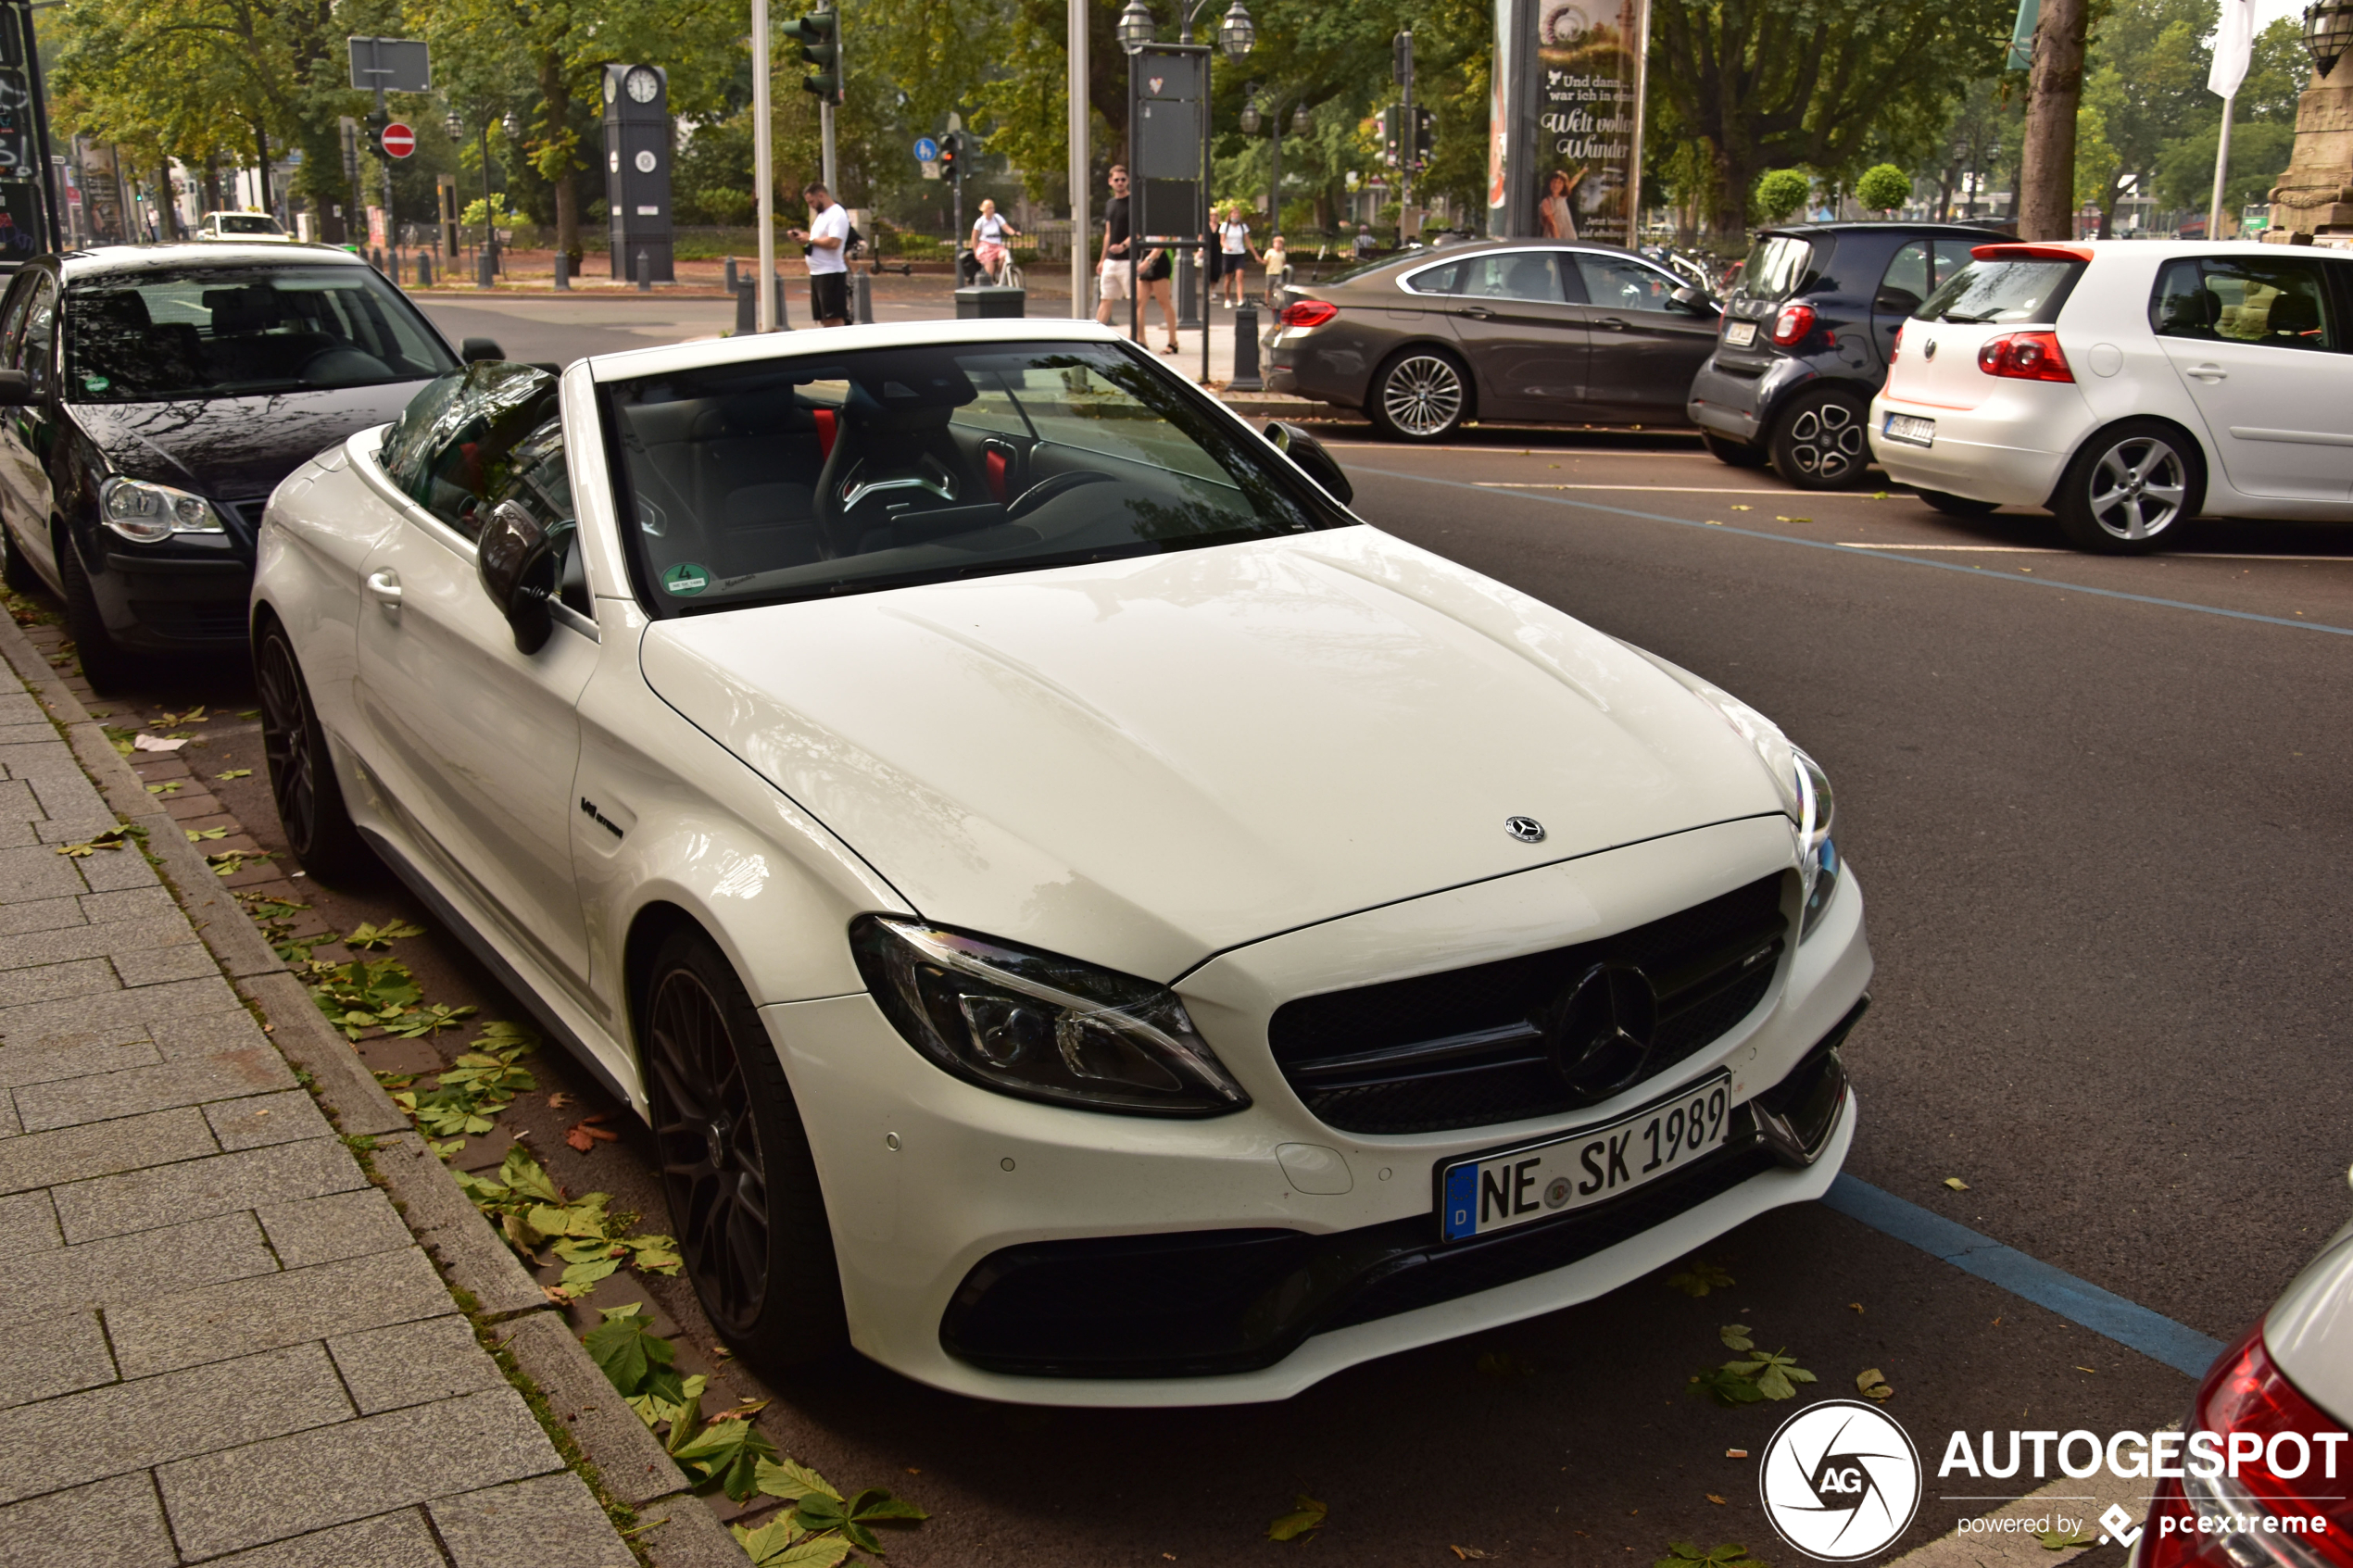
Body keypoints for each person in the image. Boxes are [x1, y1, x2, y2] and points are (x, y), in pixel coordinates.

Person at [1093, 164, 1179, 354]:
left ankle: (1172, 342)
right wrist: (1103, 258)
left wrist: (1147, 259)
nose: (1120, 183)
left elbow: (1162, 239)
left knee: (1163, 301)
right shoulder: (1122, 206)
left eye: (1123, 179)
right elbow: (1120, 233)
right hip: (1142, 258)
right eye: (1116, 179)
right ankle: (1140, 342)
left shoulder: (1147, 209)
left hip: (1154, 260)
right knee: (1138, 302)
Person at [786, 181, 850, 327]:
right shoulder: (821, 216)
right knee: (823, 318)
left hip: (831, 272)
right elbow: (816, 241)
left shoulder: (837, 213)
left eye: (812, 201)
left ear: (821, 195)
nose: (811, 206)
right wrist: (803, 239)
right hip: (817, 273)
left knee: (834, 317)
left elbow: (834, 242)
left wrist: (810, 239)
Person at [970, 198, 1020, 283]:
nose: (992, 210)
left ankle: (999, 274)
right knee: (990, 266)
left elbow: (1006, 227)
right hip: (986, 246)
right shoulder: (980, 221)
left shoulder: (997, 218)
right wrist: (975, 251)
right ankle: (990, 283)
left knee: (1005, 256)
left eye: (993, 208)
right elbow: (974, 237)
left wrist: (1014, 233)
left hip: (997, 246)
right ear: (985, 209)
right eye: (990, 208)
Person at [1538, 168, 1586, 240]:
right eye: (1554, 181)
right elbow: (1552, 224)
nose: (1556, 185)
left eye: (1560, 182)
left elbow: (1573, 181)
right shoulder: (1546, 202)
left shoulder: (1562, 197)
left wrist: (1582, 172)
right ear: (1549, 183)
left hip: (1568, 236)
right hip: (1554, 239)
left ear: (1563, 185)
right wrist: (1558, 242)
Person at [1218, 205, 1252, 306]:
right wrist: (1226, 246)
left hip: (1240, 253)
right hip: (1228, 254)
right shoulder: (1225, 226)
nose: (1236, 215)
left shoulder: (1243, 227)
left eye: (1237, 213)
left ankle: (1240, 300)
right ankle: (1227, 299)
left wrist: (1256, 254)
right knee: (1228, 278)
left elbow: (1248, 241)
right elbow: (1222, 240)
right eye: (1234, 213)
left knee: (1239, 277)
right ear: (1230, 215)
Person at [1260, 232, 1289, 305]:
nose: (1278, 246)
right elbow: (1265, 261)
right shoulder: (1270, 252)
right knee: (1268, 288)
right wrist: (1260, 261)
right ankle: (1267, 301)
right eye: (1277, 244)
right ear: (1273, 244)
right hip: (1270, 273)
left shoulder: (1283, 253)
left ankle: (1278, 301)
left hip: (1279, 273)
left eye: (1280, 244)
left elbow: (1284, 263)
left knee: (1278, 288)